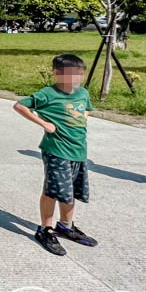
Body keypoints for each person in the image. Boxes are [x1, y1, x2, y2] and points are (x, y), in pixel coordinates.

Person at [13, 54, 98, 256]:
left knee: (70, 191)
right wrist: (44, 123)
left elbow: (87, 110)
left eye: (78, 75)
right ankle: (45, 229)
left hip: (78, 150)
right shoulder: (48, 94)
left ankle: (66, 226)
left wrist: (81, 118)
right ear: (56, 74)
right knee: (53, 190)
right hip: (56, 150)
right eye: (69, 75)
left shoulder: (82, 93)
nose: (74, 79)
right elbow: (20, 105)